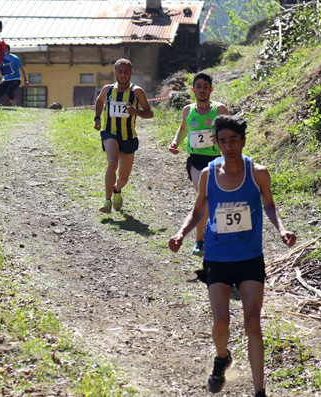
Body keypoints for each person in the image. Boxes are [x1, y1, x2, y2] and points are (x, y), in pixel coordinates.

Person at [168, 115, 296, 397]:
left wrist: (282, 229)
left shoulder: (258, 172)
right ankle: (222, 357)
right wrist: (181, 234)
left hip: (249, 256)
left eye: (233, 140)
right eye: (223, 141)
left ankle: (259, 391)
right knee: (221, 321)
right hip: (217, 257)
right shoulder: (208, 174)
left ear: (243, 141)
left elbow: (270, 205)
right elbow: (198, 210)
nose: (229, 146)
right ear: (216, 143)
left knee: (253, 321)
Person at [168, 72, 228, 256]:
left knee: (213, 198)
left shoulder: (220, 109)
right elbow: (184, 128)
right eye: (199, 87)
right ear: (193, 90)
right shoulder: (188, 110)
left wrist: (219, 138)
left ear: (211, 89)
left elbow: (231, 132)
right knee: (204, 195)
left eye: (206, 86)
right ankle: (199, 241)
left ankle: (215, 233)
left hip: (217, 160)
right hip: (196, 161)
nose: (202, 90)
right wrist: (175, 142)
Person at [93, 58, 153, 213]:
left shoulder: (137, 92)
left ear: (131, 73)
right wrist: (97, 118)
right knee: (112, 163)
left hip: (128, 137)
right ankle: (107, 202)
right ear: (115, 73)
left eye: (126, 72)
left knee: (124, 178)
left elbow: (150, 113)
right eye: (120, 72)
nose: (123, 75)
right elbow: (99, 102)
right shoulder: (107, 89)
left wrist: (137, 112)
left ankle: (117, 190)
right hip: (110, 133)